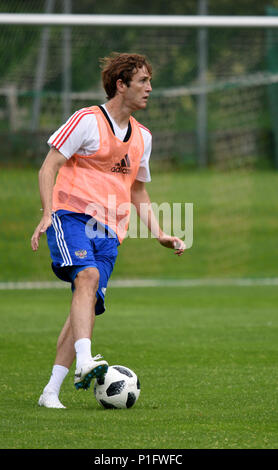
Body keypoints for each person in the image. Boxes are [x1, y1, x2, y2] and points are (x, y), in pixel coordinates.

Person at [31, 52, 185, 409]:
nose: (150, 88)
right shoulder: (86, 119)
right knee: (85, 277)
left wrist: (160, 231)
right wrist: (47, 212)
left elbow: (138, 190)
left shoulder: (143, 137)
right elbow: (48, 166)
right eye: (143, 81)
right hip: (71, 216)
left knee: (85, 304)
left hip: (111, 231)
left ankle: (51, 390)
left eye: (149, 81)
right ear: (121, 85)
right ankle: (85, 362)